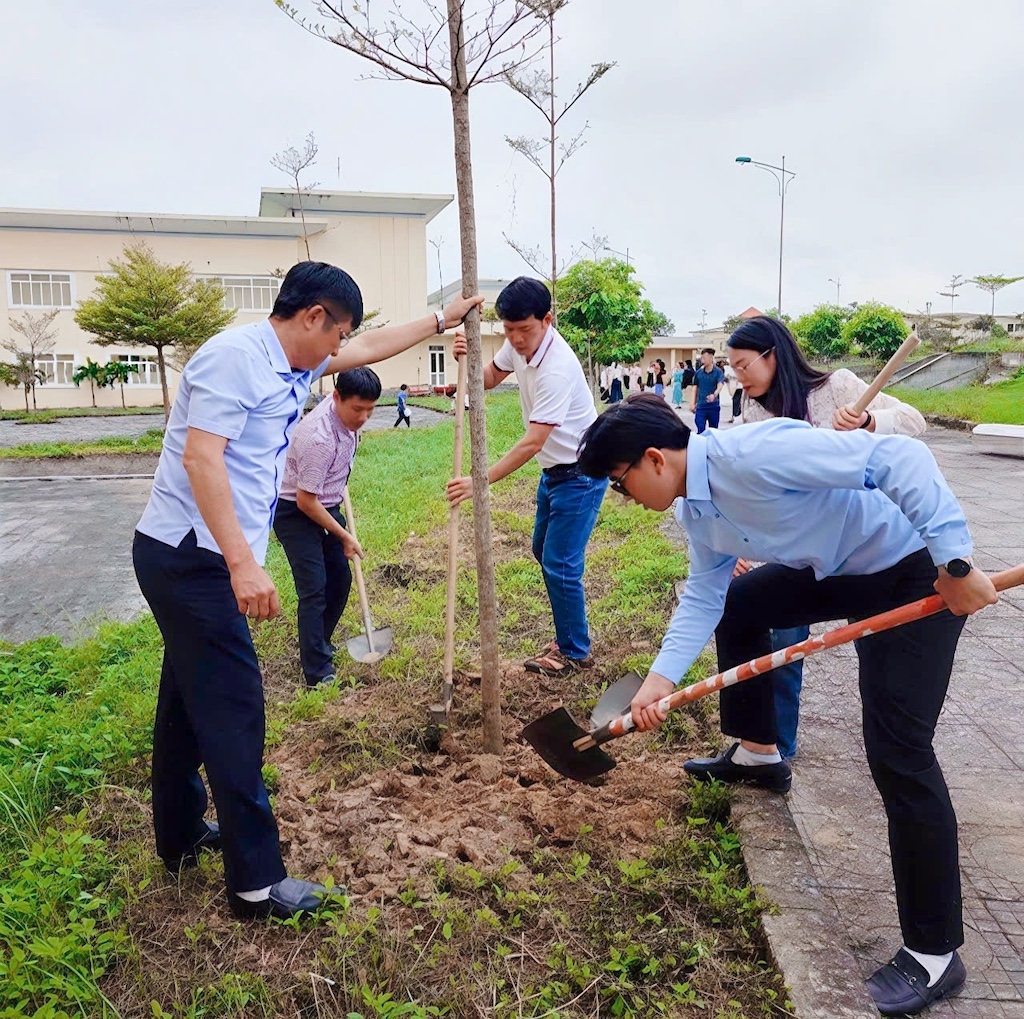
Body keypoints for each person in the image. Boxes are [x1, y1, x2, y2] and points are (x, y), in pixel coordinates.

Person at [577, 393, 994, 1016]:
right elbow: (706, 593)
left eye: (620, 481)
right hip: (842, 571)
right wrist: (658, 681)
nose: (625, 497)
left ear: (655, 459)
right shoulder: (695, 506)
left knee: (898, 750)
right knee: (742, 604)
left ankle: (934, 953)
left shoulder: (756, 452)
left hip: (911, 569)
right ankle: (758, 753)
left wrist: (954, 563)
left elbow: (900, 458)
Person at [133, 260, 482, 921]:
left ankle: (179, 833)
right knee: (236, 708)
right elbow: (201, 459)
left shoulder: (292, 361)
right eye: (337, 332)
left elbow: (370, 346)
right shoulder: (235, 359)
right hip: (191, 557)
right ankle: (256, 883)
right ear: (313, 316)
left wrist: (443, 318)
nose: (340, 347)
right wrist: (242, 564)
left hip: (195, 555)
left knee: (185, 696)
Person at [729, 316, 927, 759]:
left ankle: (890, 747)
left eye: (744, 365)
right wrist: (738, 546)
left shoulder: (837, 386)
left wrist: (869, 421)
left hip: (868, 546)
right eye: (733, 368)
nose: (739, 377)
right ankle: (772, 749)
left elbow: (914, 422)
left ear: (773, 356)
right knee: (780, 639)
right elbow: (751, 482)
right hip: (802, 544)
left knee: (875, 652)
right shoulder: (754, 412)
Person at [445, 277, 608, 677]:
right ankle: (567, 635)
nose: (516, 339)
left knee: (560, 563)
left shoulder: (557, 369)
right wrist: (465, 359)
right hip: (554, 473)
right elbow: (488, 378)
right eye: (509, 330)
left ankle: (574, 652)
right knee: (544, 551)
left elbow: (533, 441)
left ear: (547, 320)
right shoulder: (518, 344)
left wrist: (479, 481)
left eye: (524, 330)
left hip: (581, 474)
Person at [273, 367, 381, 687]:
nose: (363, 417)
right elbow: (306, 502)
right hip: (296, 511)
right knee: (314, 588)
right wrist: (345, 535)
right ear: (336, 398)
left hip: (327, 504)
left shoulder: (347, 419)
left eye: (370, 410)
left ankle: (318, 641)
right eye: (357, 409)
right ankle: (317, 670)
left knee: (340, 579)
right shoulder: (318, 438)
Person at [690, 347, 725, 433]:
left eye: (704, 358)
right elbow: (695, 388)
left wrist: (714, 394)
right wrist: (692, 403)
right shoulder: (698, 373)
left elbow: (720, 385)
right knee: (700, 428)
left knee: (713, 431)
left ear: (711, 358)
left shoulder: (718, 372)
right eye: (701, 358)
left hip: (714, 406)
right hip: (701, 406)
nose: (702, 360)